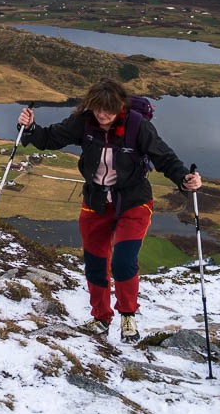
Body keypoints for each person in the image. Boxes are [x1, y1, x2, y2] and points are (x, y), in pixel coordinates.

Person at [17, 78, 202, 343]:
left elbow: (166, 158)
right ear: (90, 105)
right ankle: (100, 318)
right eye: (98, 108)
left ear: (120, 108)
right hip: (95, 201)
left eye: (109, 110)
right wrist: (30, 127)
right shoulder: (84, 122)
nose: (103, 115)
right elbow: (49, 138)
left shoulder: (138, 126)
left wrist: (185, 179)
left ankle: (128, 315)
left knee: (123, 261)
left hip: (133, 200)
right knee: (94, 262)